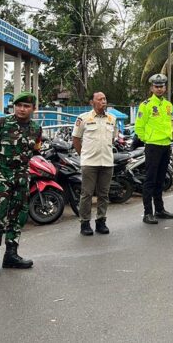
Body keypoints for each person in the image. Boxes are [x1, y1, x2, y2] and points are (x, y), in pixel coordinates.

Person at [0, 91, 42, 275]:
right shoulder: (1, 123)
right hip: (1, 178)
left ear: (33, 109)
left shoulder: (36, 129)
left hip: (22, 178)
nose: (22, 109)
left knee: (18, 217)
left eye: (26, 106)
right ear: (14, 107)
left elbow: (36, 150)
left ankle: (11, 255)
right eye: (19, 105)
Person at [134, 74, 173, 224]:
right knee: (150, 180)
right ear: (152, 88)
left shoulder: (168, 105)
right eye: (156, 86)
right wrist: (148, 139)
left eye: (162, 86)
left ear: (165, 87)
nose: (159, 89)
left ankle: (159, 210)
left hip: (166, 145)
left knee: (161, 180)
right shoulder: (145, 105)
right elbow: (139, 127)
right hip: (152, 146)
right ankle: (148, 213)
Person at [72, 92, 116, 236]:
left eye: (104, 99)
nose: (103, 101)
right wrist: (83, 155)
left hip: (107, 162)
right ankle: (85, 223)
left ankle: (101, 221)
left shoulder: (112, 118)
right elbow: (76, 139)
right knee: (87, 194)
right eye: (100, 99)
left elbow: (113, 139)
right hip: (89, 163)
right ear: (92, 102)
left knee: (104, 194)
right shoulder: (83, 118)